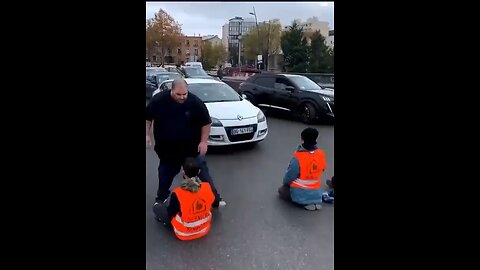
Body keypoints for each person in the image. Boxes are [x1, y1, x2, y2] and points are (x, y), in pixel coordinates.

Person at [146, 78, 226, 210]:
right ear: (172, 90)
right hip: (168, 150)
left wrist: (204, 142)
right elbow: (148, 118)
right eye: (179, 94)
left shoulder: (195, 102)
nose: (182, 97)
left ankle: (214, 199)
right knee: (165, 175)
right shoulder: (159, 100)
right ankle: (161, 198)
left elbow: (206, 123)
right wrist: (147, 135)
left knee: (203, 173)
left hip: (191, 149)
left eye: (185, 94)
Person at [154, 157, 216, 240]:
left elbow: (171, 213)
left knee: (157, 208)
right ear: (199, 172)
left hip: (184, 232)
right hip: (203, 228)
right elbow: (210, 203)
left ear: (183, 172)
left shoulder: (178, 193)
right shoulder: (207, 187)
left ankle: (160, 218)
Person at [278, 127, 327, 211]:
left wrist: (286, 184)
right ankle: (313, 201)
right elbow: (322, 169)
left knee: (282, 190)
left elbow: (289, 178)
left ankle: (304, 202)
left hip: (300, 193)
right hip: (317, 193)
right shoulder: (321, 154)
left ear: (302, 139)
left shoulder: (298, 157)